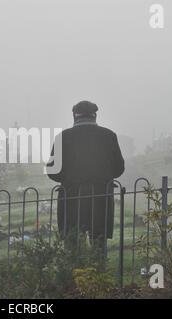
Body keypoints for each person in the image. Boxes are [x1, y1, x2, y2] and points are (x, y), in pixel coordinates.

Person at [46, 101, 125, 252]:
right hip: (101, 197)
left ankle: (73, 272)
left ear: (75, 117)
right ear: (95, 116)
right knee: (98, 243)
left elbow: (52, 170)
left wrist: (69, 180)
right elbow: (119, 168)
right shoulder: (109, 135)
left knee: (72, 243)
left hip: (72, 199)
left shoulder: (62, 137)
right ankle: (99, 273)